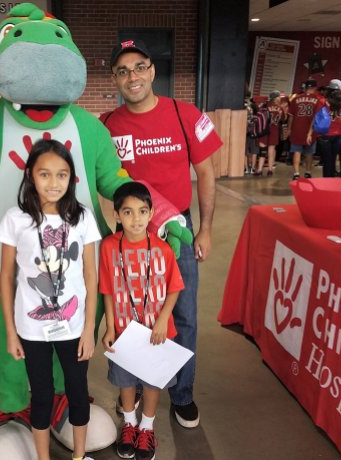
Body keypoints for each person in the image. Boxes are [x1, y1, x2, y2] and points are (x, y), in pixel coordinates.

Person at [102, 39, 222, 428]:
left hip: (177, 232)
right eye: (123, 71)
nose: (132, 76)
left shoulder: (184, 114)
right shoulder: (108, 124)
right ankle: (133, 390)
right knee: (130, 315)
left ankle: (181, 393)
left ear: (152, 71)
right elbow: (102, 181)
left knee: (182, 316)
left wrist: (204, 229)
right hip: (130, 235)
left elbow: (206, 173)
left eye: (139, 67)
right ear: (115, 79)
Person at [0, 139, 100, 460]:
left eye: (62, 175)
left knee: (78, 392)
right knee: (40, 396)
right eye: (45, 175)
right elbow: (6, 278)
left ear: (71, 179)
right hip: (31, 329)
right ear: (30, 175)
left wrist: (88, 331)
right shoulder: (16, 219)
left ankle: (79, 456)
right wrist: (12, 332)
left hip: (74, 328)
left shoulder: (81, 218)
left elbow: (91, 276)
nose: (53, 183)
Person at [100, 182, 184, 460]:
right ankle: (129, 424)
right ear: (116, 215)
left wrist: (162, 320)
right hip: (124, 332)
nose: (136, 219)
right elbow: (108, 291)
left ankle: (146, 427)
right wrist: (110, 327)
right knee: (125, 381)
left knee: (151, 382)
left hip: (157, 333)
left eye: (142, 211)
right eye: (128, 212)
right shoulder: (109, 248)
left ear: (151, 215)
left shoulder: (162, 249)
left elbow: (174, 287)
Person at [286, 80, 324, 179]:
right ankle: (308, 172)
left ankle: (296, 173)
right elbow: (317, 117)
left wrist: (289, 129)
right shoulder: (318, 99)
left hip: (297, 129)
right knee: (309, 152)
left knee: (296, 151)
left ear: (305, 87)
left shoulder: (296, 98)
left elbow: (291, 116)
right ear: (315, 88)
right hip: (311, 131)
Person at [316, 79, 341, 177]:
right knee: (333, 158)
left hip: (324, 134)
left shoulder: (322, 101)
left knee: (327, 160)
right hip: (339, 134)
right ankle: (332, 180)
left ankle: (327, 181)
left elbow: (317, 117)